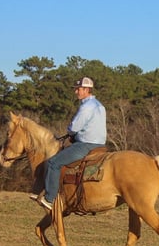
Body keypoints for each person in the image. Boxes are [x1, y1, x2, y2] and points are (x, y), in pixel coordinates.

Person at [32, 76, 107, 211]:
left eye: (78, 89)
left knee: (53, 163)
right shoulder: (99, 105)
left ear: (86, 90)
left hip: (85, 145)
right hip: (100, 145)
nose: (76, 92)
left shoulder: (86, 107)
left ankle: (50, 199)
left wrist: (70, 133)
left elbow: (74, 127)